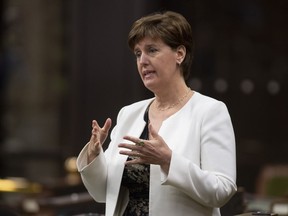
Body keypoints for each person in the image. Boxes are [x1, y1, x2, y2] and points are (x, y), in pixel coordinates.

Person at [76, 11, 237, 216]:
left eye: (152, 50)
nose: (142, 60)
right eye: (137, 53)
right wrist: (94, 154)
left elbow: (222, 190)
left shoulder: (210, 111)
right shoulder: (129, 114)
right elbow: (102, 193)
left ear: (180, 54)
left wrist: (168, 161)